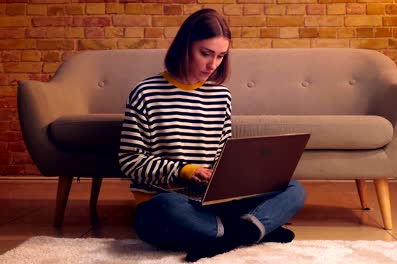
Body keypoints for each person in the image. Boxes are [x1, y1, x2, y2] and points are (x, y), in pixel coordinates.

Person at [119, 8, 306, 262]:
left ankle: (225, 236)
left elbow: (221, 154)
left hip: (212, 202)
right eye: (205, 54)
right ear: (184, 47)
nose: (213, 64)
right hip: (167, 202)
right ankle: (252, 230)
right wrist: (185, 170)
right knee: (167, 209)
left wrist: (240, 175)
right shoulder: (145, 93)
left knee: (294, 189)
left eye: (220, 56)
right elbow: (130, 161)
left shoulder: (221, 97)